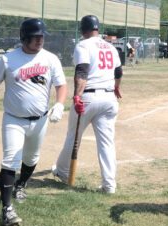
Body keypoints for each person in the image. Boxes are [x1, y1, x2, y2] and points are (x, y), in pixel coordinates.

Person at [0, 18, 67, 226]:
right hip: (13, 119)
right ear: (24, 37)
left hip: (40, 119)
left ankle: (21, 184)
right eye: (35, 36)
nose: (40, 40)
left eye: (42, 36)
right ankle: (7, 209)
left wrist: (60, 105)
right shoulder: (8, 60)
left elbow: (61, 86)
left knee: (32, 157)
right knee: (10, 160)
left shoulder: (51, 59)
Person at [51, 14, 122, 194]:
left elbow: (82, 71)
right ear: (97, 29)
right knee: (106, 143)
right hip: (109, 98)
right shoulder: (110, 46)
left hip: (89, 97)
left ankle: (63, 171)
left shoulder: (83, 45)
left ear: (83, 30)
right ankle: (109, 185)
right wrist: (116, 87)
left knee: (73, 137)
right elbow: (118, 72)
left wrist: (77, 96)